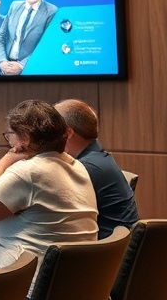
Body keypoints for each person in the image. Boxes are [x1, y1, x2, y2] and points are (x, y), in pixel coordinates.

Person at [0, 100, 98, 267]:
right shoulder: (77, 165)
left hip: (26, 277)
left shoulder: (29, 171)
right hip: (75, 274)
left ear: (25, 138)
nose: (9, 142)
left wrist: (2, 164)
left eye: (10, 134)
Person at [54, 99, 139, 238]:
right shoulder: (97, 157)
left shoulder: (87, 168)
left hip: (109, 249)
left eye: (51, 130)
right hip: (114, 245)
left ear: (67, 133)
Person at [0, 0, 58, 75]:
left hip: (32, 71)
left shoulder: (51, 11)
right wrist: (2, 61)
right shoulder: (14, 6)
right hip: (6, 70)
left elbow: (46, 45)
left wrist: (22, 65)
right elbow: (0, 36)